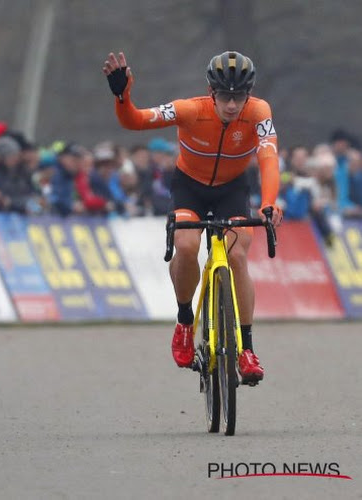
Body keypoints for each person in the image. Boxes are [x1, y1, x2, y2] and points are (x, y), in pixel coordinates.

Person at [102, 50, 283, 383]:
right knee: (186, 246)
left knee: (237, 255)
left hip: (233, 189)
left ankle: (246, 348)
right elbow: (135, 120)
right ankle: (185, 320)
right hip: (190, 187)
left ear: (249, 94)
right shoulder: (189, 110)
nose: (232, 104)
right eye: (225, 96)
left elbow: (269, 159)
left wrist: (269, 204)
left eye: (239, 96)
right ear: (211, 92)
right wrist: (121, 95)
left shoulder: (259, 112)